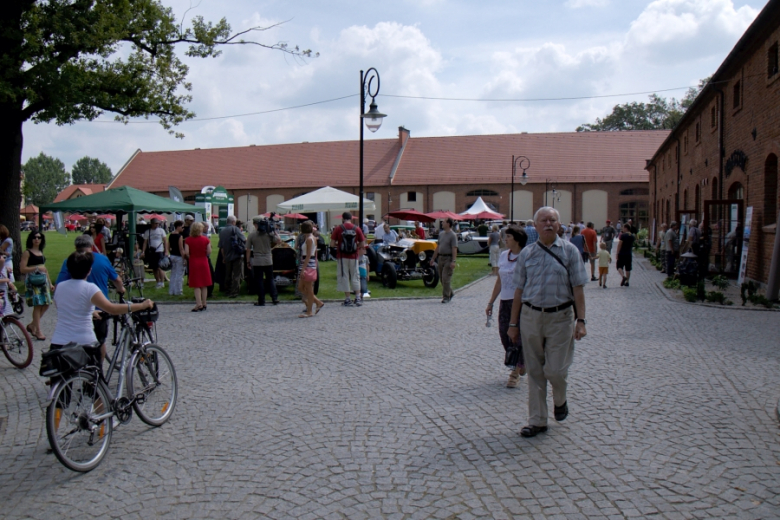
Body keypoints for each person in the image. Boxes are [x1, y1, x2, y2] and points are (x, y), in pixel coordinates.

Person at [507, 206, 588, 438]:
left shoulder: (570, 252)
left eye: (553, 220)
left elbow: (578, 289)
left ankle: (560, 399)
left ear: (559, 224)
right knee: (534, 371)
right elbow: (518, 291)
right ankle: (537, 420)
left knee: (555, 370)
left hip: (561, 318)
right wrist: (513, 324)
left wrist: (581, 320)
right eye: (544, 220)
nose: (549, 224)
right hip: (531, 316)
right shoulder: (527, 254)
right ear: (536, 226)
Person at [50, 251, 153, 362]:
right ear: (89, 271)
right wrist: (141, 305)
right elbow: (111, 309)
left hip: (59, 342)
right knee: (94, 375)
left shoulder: (60, 287)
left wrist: (90, 311)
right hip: (84, 343)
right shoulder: (90, 288)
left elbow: (65, 306)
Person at [54, 234, 126, 359]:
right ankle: (98, 371)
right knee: (100, 341)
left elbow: (59, 285)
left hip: (77, 308)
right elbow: (117, 280)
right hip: (100, 306)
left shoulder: (70, 261)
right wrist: (121, 289)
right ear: (92, 246)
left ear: (76, 247)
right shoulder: (102, 259)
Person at [486, 226, 528, 388]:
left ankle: (515, 371)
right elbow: (500, 280)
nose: (505, 239)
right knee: (505, 334)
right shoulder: (504, 255)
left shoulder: (526, 256)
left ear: (517, 239)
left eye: (508, 237)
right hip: (505, 301)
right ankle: (521, 363)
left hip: (522, 302)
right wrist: (491, 302)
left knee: (517, 336)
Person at [19, 231, 52, 340]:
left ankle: (33, 325)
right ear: (31, 239)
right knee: (38, 305)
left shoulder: (41, 252)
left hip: (43, 281)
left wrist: (50, 282)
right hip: (33, 281)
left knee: (46, 303)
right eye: (34, 237)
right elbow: (22, 269)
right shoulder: (27, 252)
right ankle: (38, 330)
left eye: (39, 237)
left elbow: (45, 269)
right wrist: (36, 268)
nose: (37, 239)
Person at [330, 212, 366, 307]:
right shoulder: (356, 228)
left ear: (343, 218)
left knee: (344, 276)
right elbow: (362, 244)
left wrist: (340, 245)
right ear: (351, 218)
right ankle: (358, 297)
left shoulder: (338, 228)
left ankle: (347, 298)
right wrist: (355, 246)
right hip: (354, 256)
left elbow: (332, 244)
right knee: (355, 275)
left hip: (342, 256)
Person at [246, 217, 280, 306]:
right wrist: (275, 231)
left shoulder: (252, 235)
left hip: (257, 260)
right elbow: (278, 241)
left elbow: (248, 249)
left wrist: (248, 261)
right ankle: (274, 298)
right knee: (270, 279)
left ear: (255, 224)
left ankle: (261, 300)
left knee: (259, 280)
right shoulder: (269, 234)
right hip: (268, 259)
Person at [297, 221, 324, 317]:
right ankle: (317, 302)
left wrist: (303, 268)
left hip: (307, 263)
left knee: (308, 288)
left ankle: (310, 311)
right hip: (308, 263)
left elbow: (308, 254)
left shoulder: (309, 239)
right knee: (301, 287)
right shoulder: (311, 238)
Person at [184, 222, 212, 311]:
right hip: (203, 261)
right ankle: (204, 303)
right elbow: (209, 251)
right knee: (204, 284)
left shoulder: (188, 240)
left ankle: (198, 304)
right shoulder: (206, 239)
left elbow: (186, 253)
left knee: (196, 285)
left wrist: (190, 256)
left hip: (194, 261)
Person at [430, 217, 458, 303]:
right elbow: (438, 247)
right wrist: (433, 258)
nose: (442, 223)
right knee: (442, 279)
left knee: (446, 278)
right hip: (440, 258)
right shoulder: (441, 234)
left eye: (444, 222)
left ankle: (446, 297)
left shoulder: (453, 235)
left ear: (448, 224)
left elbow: (454, 248)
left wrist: (453, 261)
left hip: (448, 258)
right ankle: (450, 292)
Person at [217, 215, 244, 298]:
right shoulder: (235, 229)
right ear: (233, 222)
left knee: (227, 274)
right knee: (236, 274)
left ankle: (227, 290)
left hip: (227, 255)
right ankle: (234, 292)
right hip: (236, 255)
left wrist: (224, 257)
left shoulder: (222, 231)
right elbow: (243, 239)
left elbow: (221, 247)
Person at [141, 218, 169, 289]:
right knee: (154, 267)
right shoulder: (148, 232)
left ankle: (162, 282)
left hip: (160, 250)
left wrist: (166, 250)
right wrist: (143, 251)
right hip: (152, 250)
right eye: (155, 223)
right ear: (152, 224)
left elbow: (165, 241)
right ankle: (158, 281)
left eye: (158, 223)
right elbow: (145, 242)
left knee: (160, 267)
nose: (157, 225)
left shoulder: (161, 230)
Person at [168, 220, 185, 296]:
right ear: (178, 227)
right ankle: (178, 291)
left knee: (173, 273)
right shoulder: (180, 236)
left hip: (172, 255)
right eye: (182, 227)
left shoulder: (171, 235)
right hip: (178, 256)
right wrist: (184, 257)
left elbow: (168, 246)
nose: (183, 228)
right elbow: (181, 248)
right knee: (179, 274)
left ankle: (171, 290)